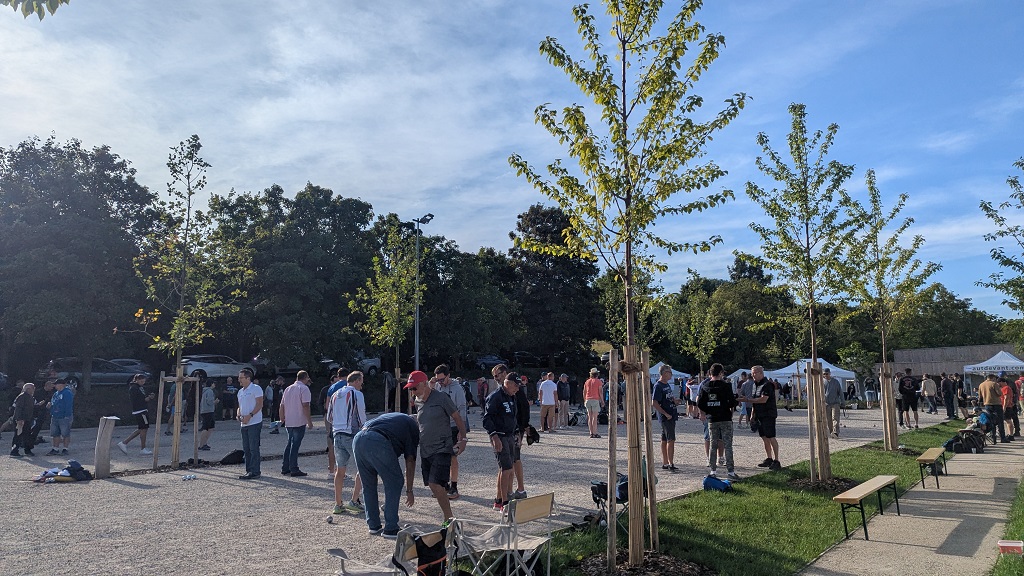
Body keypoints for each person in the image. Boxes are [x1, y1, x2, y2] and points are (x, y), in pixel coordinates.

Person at [408, 369, 467, 523]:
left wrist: (463, 438)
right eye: (410, 389)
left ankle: (449, 518)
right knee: (433, 486)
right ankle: (447, 497)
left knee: (435, 483)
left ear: (424, 384)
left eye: (414, 388)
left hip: (442, 447)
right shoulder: (418, 402)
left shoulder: (441, 398)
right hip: (425, 449)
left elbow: (457, 417)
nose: (412, 392)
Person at [352, 412, 419, 538]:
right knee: (395, 481)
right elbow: (410, 460)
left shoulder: (394, 418)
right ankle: (391, 527)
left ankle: (373, 524)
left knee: (368, 484)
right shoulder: (412, 427)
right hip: (377, 440)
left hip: (358, 439)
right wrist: (409, 490)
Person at [483, 369, 521, 512]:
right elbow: (487, 419)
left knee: (506, 468)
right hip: (499, 435)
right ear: (508, 383)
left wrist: (517, 432)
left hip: (509, 435)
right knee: (506, 469)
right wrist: (494, 437)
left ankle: (499, 500)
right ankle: (505, 503)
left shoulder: (511, 397)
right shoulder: (495, 397)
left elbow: (513, 416)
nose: (517, 389)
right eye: (516, 386)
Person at [329, 371, 366, 514]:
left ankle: (338, 504)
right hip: (351, 434)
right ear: (356, 381)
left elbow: (329, 416)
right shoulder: (357, 394)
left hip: (337, 434)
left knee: (340, 470)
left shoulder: (335, 394)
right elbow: (362, 418)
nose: (362, 385)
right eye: (361, 381)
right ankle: (354, 500)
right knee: (364, 467)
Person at [431, 364, 468, 499]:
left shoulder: (457, 389)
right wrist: (431, 386)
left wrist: (461, 431)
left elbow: (462, 409)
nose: (440, 382)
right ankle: (443, 485)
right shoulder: (437, 386)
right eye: (438, 380)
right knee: (440, 457)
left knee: (452, 457)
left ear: (448, 376)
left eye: (442, 379)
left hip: (453, 426)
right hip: (440, 426)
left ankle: (454, 487)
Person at [698, 363, 739, 480]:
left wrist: (708, 410)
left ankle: (713, 471)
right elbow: (732, 402)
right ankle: (731, 472)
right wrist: (731, 403)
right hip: (725, 418)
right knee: (728, 445)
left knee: (712, 445)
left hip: (712, 419)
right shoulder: (726, 386)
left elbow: (700, 403)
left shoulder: (705, 386)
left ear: (710, 373)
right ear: (721, 373)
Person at [743, 365, 782, 471]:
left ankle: (777, 460)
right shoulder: (755, 385)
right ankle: (769, 458)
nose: (752, 375)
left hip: (768, 414)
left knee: (771, 437)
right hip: (759, 414)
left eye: (754, 373)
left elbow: (763, 399)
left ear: (761, 373)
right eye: (752, 373)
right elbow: (755, 400)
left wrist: (748, 400)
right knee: (764, 437)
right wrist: (752, 414)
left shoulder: (768, 385)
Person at [280, 370, 313, 477]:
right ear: (305, 377)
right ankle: (294, 468)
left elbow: (282, 405)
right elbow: (306, 405)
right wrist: (309, 421)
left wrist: (282, 418)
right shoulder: (304, 388)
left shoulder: (288, 388)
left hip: (289, 420)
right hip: (299, 420)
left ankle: (285, 467)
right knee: (295, 445)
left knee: (289, 444)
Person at [236, 368, 264, 479]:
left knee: (253, 448)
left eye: (241, 378)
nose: (239, 380)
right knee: (246, 448)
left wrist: (250, 415)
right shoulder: (240, 391)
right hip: (244, 424)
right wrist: (238, 414)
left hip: (254, 422)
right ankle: (249, 470)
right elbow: (240, 406)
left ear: (248, 378)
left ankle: (255, 471)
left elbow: (259, 404)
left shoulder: (256, 389)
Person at [651, 364, 680, 472]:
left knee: (664, 439)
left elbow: (668, 398)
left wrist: (674, 401)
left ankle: (665, 462)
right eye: (669, 372)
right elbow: (654, 402)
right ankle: (670, 463)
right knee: (671, 439)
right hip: (666, 416)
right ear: (664, 373)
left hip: (671, 412)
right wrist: (665, 413)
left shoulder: (666, 384)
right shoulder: (658, 386)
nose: (671, 374)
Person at [118, 374, 156, 455]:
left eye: (144, 381)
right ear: (137, 380)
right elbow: (140, 400)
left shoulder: (139, 387)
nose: (143, 382)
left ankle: (125, 443)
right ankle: (141, 448)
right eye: (141, 381)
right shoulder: (134, 388)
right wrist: (149, 398)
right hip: (140, 411)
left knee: (142, 428)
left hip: (142, 410)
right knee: (144, 428)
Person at [46, 379, 74, 455]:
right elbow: (53, 402)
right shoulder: (56, 394)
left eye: (56, 384)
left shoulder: (67, 393)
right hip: (55, 416)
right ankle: (55, 448)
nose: (55, 386)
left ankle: (65, 449)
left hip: (64, 416)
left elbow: (68, 405)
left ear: (61, 384)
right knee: (55, 433)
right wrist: (50, 406)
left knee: (65, 433)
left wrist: (67, 416)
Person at [979, 373, 1008, 444]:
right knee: (1000, 421)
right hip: (996, 404)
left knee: (991, 421)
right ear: (993, 378)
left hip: (987, 404)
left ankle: (993, 437)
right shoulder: (994, 384)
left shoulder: (981, 385)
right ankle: (1002, 438)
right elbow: (999, 394)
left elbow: (980, 396)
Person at [10, 382, 36, 457]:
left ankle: (27, 450)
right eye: (32, 388)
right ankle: (14, 451)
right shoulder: (22, 396)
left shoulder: (29, 397)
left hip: (27, 419)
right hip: (21, 419)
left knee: (27, 435)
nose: (34, 390)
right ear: (28, 389)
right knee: (18, 435)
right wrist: (19, 419)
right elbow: (18, 408)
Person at [198, 378, 219, 450]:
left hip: (205, 410)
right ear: (211, 384)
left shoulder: (204, 391)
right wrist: (215, 402)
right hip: (208, 411)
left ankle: (204, 443)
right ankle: (201, 445)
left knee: (210, 427)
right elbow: (209, 402)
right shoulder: (209, 391)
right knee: (206, 427)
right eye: (213, 383)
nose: (214, 385)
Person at [583, 368, 604, 438]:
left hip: (588, 399)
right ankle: (595, 432)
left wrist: (584, 399)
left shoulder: (587, 381)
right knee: (595, 417)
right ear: (597, 374)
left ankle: (591, 432)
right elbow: (600, 392)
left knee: (589, 416)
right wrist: (602, 401)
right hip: (595, 399)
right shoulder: (598, 382)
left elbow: (584, 392)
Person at [823, 368, 843, 438]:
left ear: (830, 373)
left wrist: (843, 402)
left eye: (827, 374)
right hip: (827, 404)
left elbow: (840, 392)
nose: (826, 375)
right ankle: (831, 432)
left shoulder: (835, 382)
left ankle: (836, 432)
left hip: (835, 403)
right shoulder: (823, 382)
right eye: (824, 374)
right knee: (829, 420)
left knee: (835, 418)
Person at [1000, 376, 1019, 440]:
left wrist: (1004, 407)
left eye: (999, 383)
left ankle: (1011, 435)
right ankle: (1010, 434)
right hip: (1008, 406)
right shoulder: (1007, 388)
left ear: (1002, 382)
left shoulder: (1006, 388)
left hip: (1007, 406)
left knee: (1008, 421)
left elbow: (1006, 398)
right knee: (1008, 421)